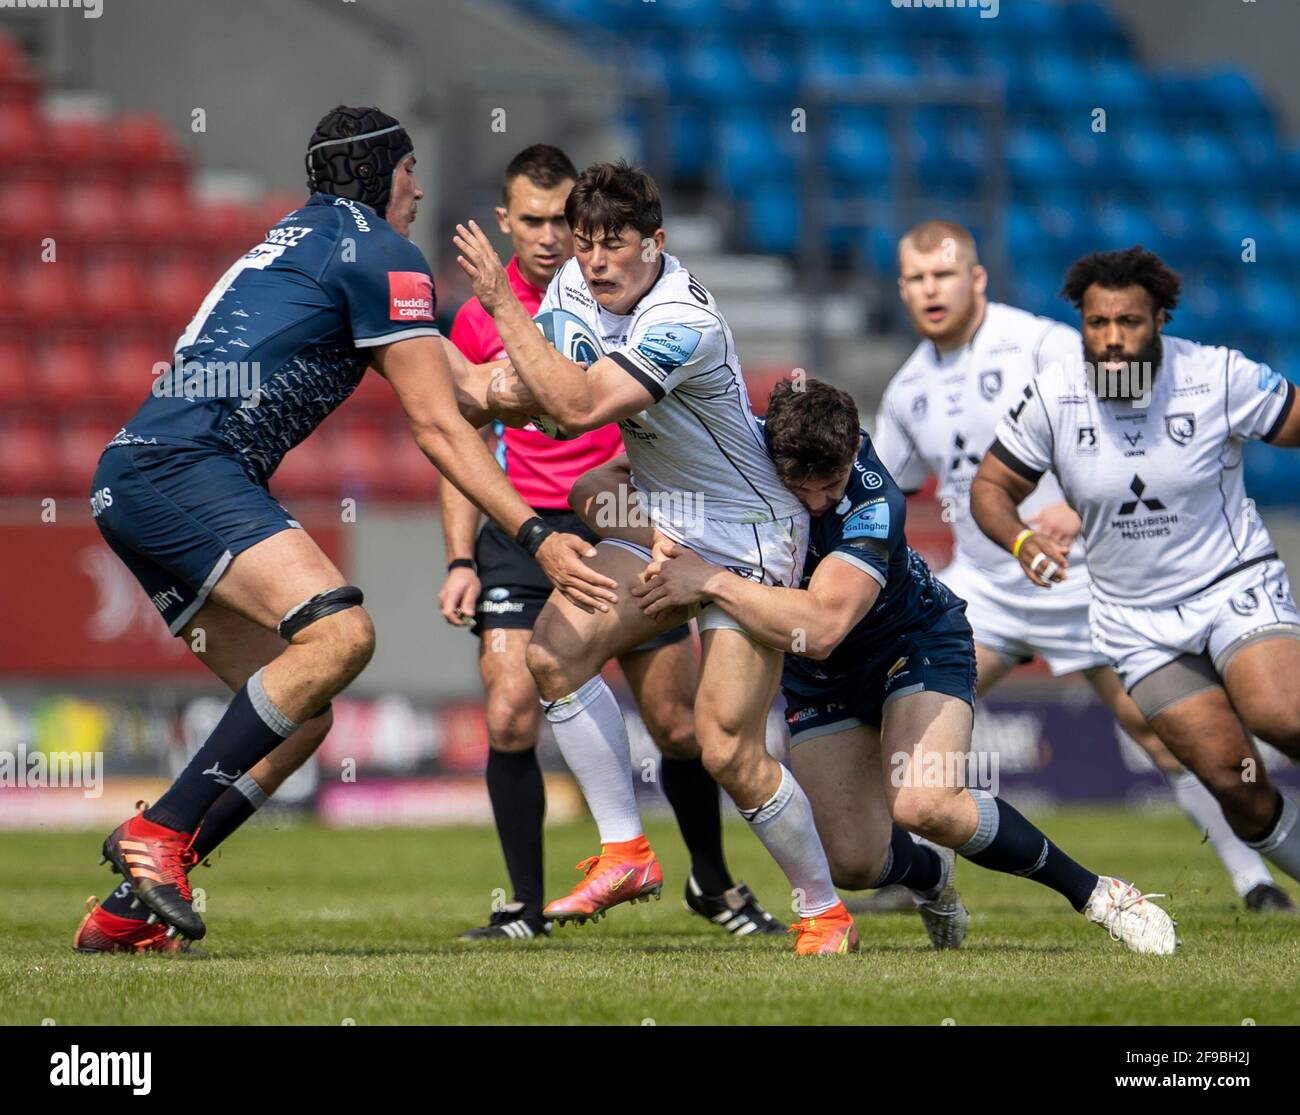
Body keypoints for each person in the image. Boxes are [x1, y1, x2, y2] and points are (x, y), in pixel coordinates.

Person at [75, 105, 614, 951]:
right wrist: (534, 532)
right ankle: (161, 831)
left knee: (305, 707)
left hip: (135, 477)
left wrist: (580, 390)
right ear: (380, 175)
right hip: (186, 469)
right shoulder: (384, 252)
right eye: (410, 173)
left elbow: (469, 390)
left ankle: (133, 905)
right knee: (341, 636)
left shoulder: (311, 239)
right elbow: (441, 428)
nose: (421, 189)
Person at [453, 160, 859, 955]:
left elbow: (572, 405)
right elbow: (555, 402)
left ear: (657, 243)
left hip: (750, 533)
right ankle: (627, 851)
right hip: (667, 518)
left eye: (616, 244)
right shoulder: (575, 285)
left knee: (724, 747)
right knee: (554, 655)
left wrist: (500, 325)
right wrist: (474, 383)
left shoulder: (684, 319)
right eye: (587, 242)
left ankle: (823, 908)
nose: (596, 260)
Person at [631, 378, 1180, 955]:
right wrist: (653, 531)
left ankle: (1101, 895)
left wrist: (711, 579)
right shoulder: (741, 455)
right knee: (852, 862)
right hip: (822, 679)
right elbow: (609, 482)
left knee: (925, 805)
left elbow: (821, 628)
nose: (817, 502)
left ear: (851, 453)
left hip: (912, 643)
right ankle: (929, 877)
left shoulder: (872, 500)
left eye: (830, 485)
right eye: (801, 486)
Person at [870, 220, 1288, 913]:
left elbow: (1114, 424)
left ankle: (1255, 880)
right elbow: (891, 487)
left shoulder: (1043, 343)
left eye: (942, 275)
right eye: (915, 279)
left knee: (1161, 736)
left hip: (1088, 580)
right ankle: (926, 872)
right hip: (989, 591)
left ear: (975, 279)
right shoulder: (908, 388)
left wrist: (1066, 507)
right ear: (901, 289)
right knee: (921, 720)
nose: (929, 290)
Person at [971, 244, 1300, 896]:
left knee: (1280, 715)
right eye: (1099, 323)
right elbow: (990, 487)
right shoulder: (1054, 395)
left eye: (1130, 322)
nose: (1114, 339)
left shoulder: (1216, 375)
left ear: (1160, 321)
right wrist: (1020, 539)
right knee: (1240, 787)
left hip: (1234, 584)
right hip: (1136, 622)